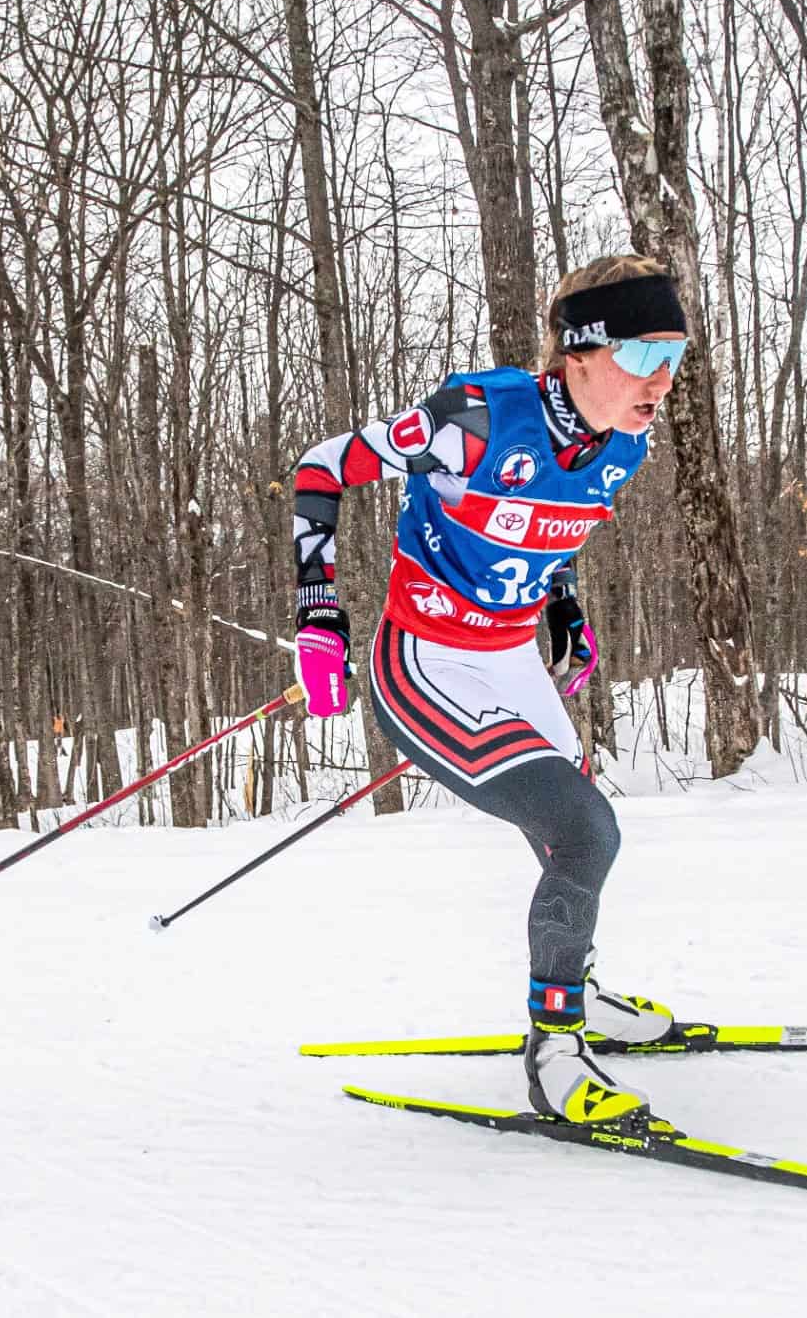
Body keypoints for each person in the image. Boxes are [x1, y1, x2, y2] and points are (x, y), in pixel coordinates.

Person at [288, 255, 686, 1125]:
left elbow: (556, 520)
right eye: (646, 358)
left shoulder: (626, 445)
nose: (663, 382)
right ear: (579, 354)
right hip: (424, 660)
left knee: (575, 828)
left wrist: (567, 610)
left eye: (676, 360)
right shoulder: (473, 417)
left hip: (508, 657)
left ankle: (576, 985)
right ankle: (554, 1051)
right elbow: (321, 471)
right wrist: (319, 611)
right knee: (586, 829)